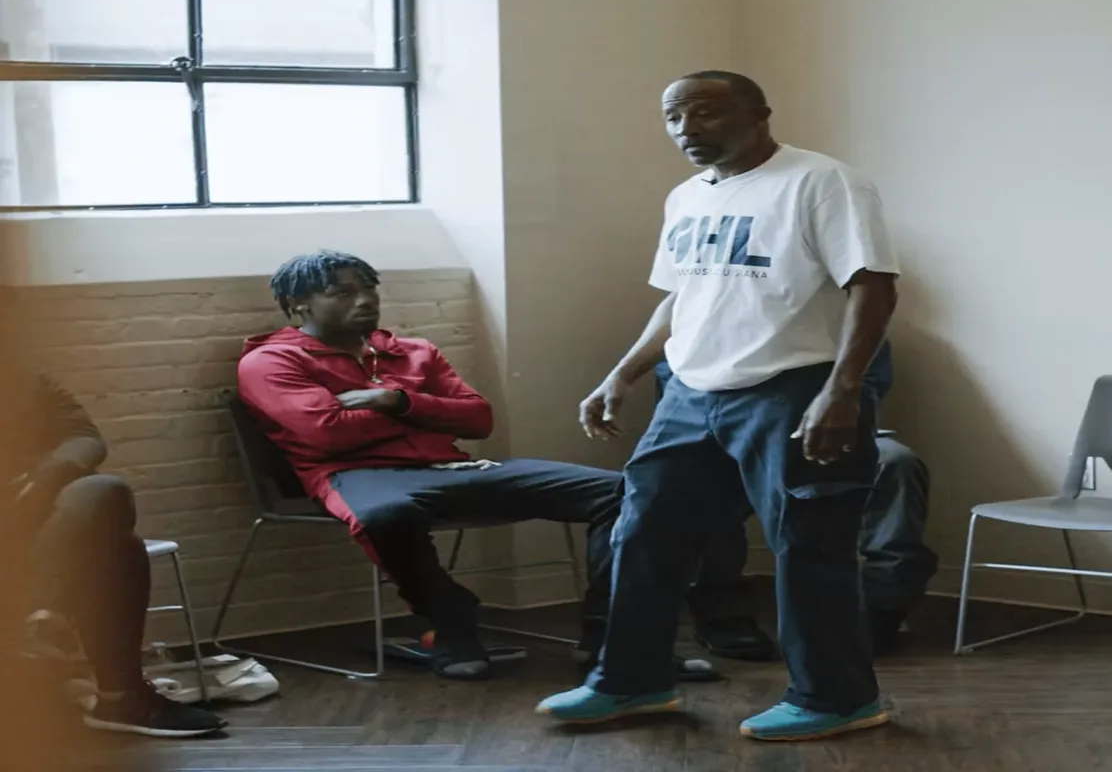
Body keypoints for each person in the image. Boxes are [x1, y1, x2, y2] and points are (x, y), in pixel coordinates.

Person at [536, 70, 900, 741]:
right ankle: (632, 682)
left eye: (705, 112)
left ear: (760, 113)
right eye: (674, 117)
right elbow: (680, 297)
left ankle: (838, 698)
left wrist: (844, 389)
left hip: (794, 387)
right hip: (691, 392)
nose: (686, 129)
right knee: (643, 532)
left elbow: (872, 286)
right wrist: (622, 373)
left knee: (808, 546)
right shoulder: (685, 198)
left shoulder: (822, 182)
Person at [236, 251, 712, 683]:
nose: (364, 300)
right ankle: (451, 622)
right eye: (342, 293)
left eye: (369, 289)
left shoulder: (413, 351)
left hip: (454, 468)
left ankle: (612, 638)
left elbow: (478, 419)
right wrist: (429, 412)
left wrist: (397, 401)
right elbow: (328, 433)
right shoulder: (270, 361)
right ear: (298, 304)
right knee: (385, 514)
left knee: (625, 491)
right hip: (355, 476)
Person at [672, 341, 938, 660]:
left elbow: (867, 393)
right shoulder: (718, 331)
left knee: (898, 463)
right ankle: (721, 611)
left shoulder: (861, 334)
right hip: (741, 435)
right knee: (706, 478)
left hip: (826, 431)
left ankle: (879, 608)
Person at [3, 368, 226, 738]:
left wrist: (43, 480)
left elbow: (84, 437)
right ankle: (118, 695)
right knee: (119, 550)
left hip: (41, 515)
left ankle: (45, 621)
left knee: (103, 492)